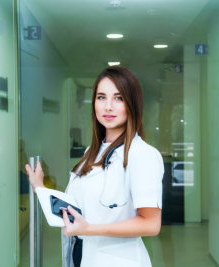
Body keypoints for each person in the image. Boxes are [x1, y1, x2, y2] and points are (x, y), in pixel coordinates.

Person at [26, 66, 164, 267]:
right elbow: (78, 207)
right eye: (101, 97)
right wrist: (41, 189)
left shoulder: (143, 155)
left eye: (118, 98)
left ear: (132, 104)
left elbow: (151, 224)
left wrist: (88, 229)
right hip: (82, 255)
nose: (108, 106)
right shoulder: (93, 151)